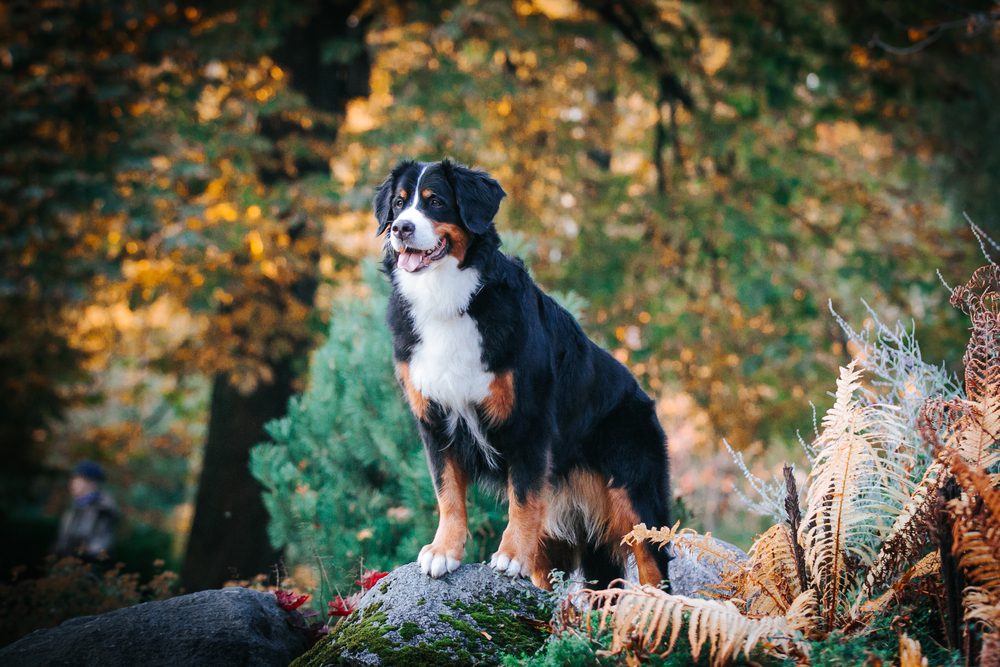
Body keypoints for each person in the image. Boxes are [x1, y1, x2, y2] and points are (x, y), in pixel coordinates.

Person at [54, 461, 118, 560]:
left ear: (92, 483)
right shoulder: (76, 505)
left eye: (78, 480)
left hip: (88, 564)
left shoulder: (103, 509)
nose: (72, 484)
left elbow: (98, 547)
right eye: (73, 479)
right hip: (68, 562)